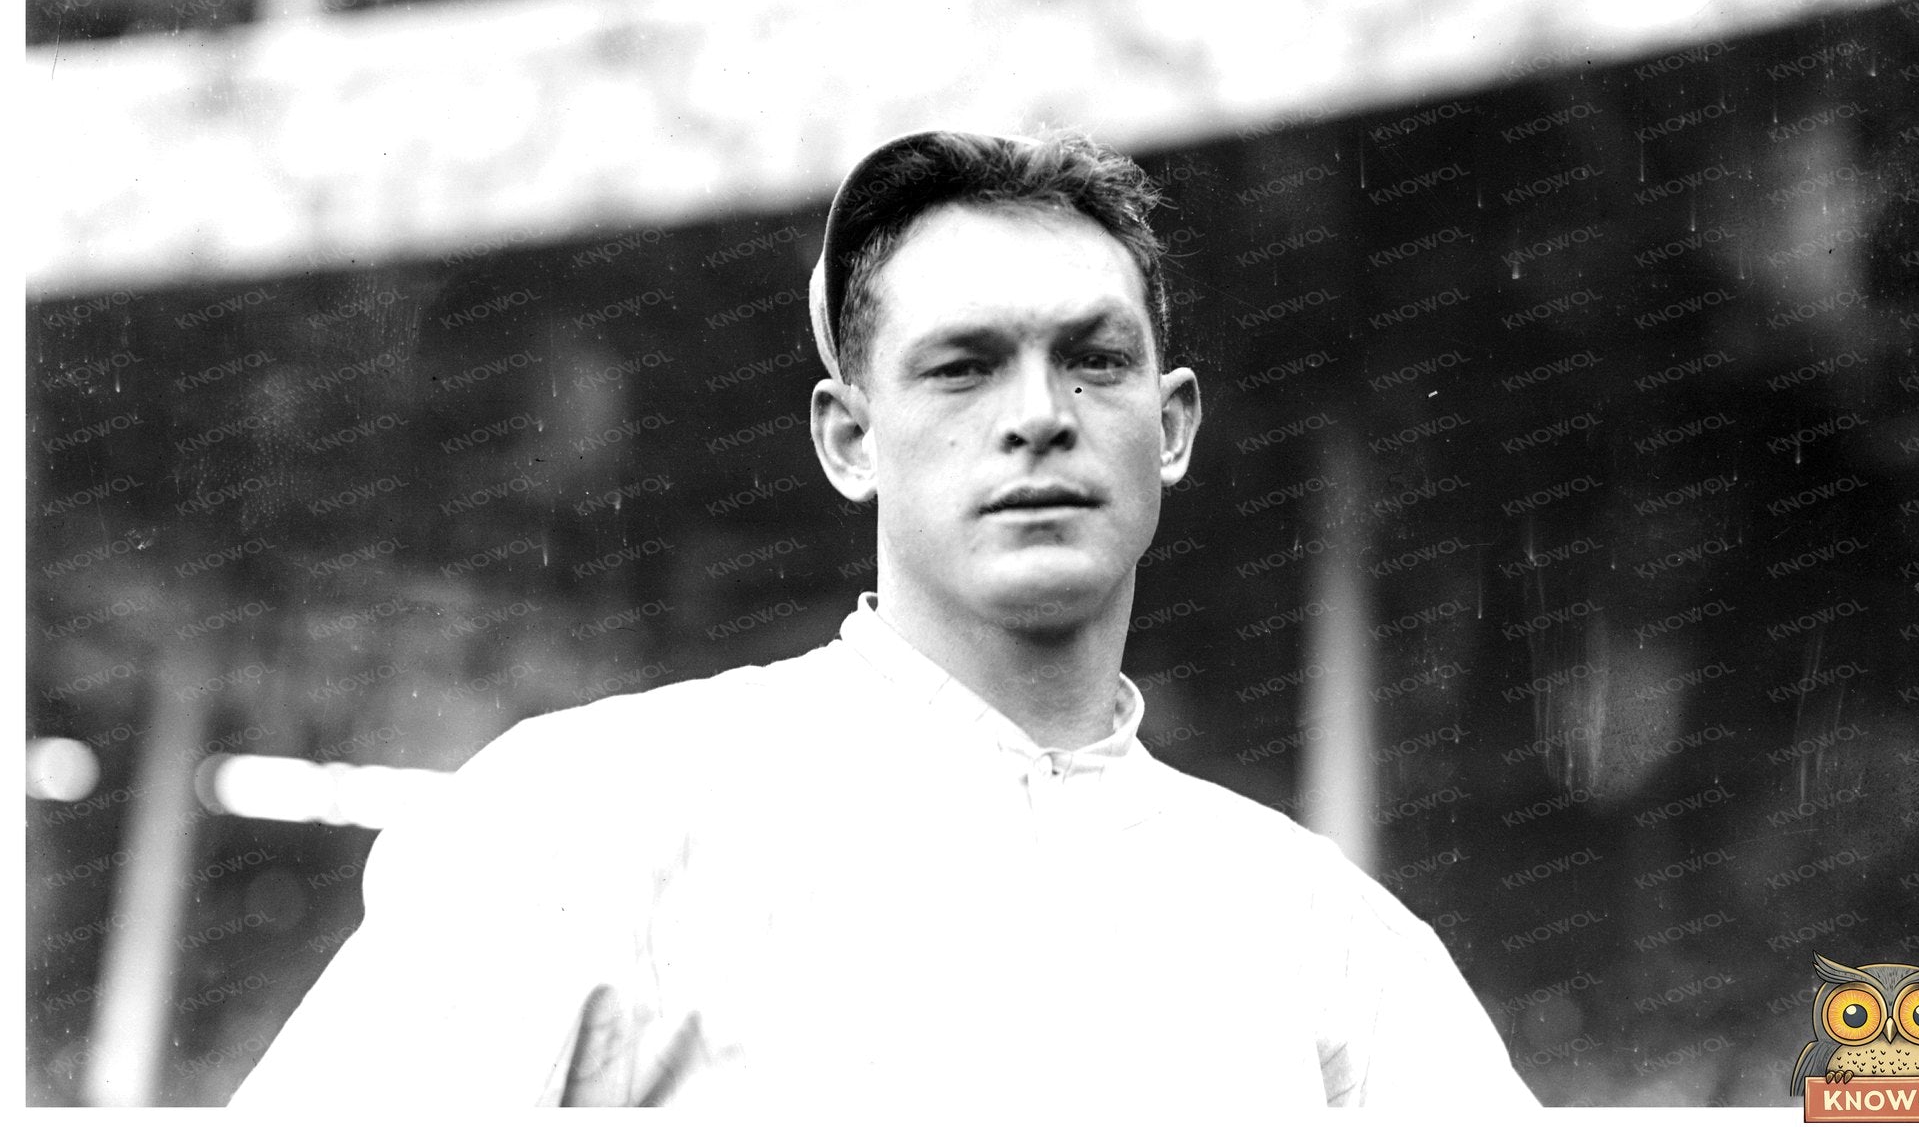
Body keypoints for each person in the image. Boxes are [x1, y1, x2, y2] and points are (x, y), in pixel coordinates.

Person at [231, 129, 1538, 1119]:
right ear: (850, 437)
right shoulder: (586, 821)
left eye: (1095, 358)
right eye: (963, 365)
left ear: (1174, 424)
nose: (1040, 413)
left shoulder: (1331, 942)